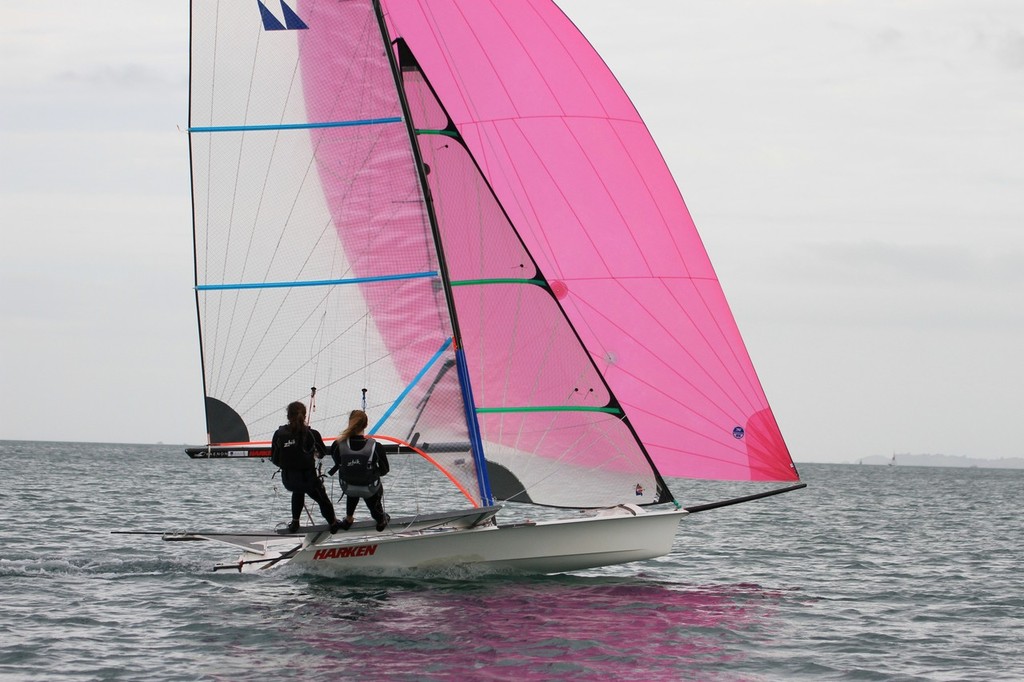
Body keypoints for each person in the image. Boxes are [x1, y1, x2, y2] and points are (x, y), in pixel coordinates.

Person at [270, 401, 343, 534]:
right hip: (308, 481)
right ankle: (333, 523)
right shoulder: (312, 434)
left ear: (288, 416)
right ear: (304, 416)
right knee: (322, 500)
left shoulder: (279, 434)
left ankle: (295, 522)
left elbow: (275, 459)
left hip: (288, 481)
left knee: (297, 491)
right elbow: (321, 454)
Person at [329, 409, 390, 531]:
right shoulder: (376, 446)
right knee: (368, 485)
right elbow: (385, 470)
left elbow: (338, 463)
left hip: (348, 487)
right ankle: (380, 520)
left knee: (353, 480)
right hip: (370, 489)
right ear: (366, 425)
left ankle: (349, 518)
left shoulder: (337, 444)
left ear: (349, 423)